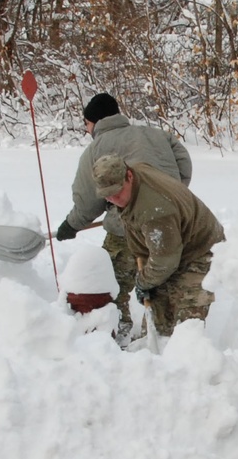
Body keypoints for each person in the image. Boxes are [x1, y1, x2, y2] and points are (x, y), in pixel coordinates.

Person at [55, 92, 193, 344]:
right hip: (171, 223)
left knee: (111, 285)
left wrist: (71, 225)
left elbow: (88, 200)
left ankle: (117, 332)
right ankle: (160, 339)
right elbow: (184, 166)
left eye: (86, 124)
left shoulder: (96, 149)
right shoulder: (156, 135)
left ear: (94, 121)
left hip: (127, 230)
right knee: (161, 281)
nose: (87, 130)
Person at [91, 154, 224, 338]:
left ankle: (187, 354)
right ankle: (153, 347)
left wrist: (143, 281)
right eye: (108, 195)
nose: (113, 199)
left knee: (186, 323)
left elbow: (164, 262)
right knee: (156, 315)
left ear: (129, 176)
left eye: (117, 192)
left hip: (201, 249)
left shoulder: (154, 211)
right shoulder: (136, 170)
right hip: (171, 245)